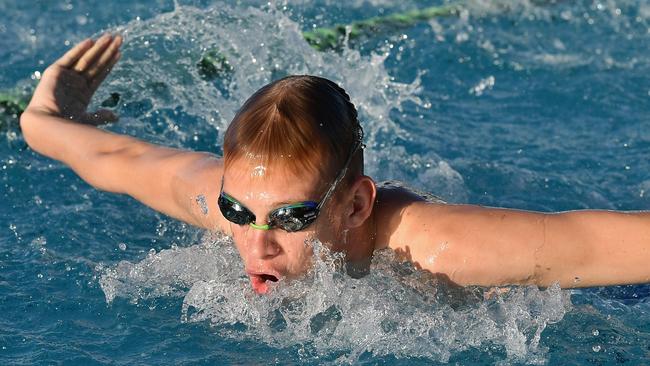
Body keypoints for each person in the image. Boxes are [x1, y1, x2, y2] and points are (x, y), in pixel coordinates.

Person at [20, 34, 650, 294]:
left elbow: (583, 245)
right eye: (238, 211)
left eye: (292, 217)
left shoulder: (432, 246)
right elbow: (111, 154)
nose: (257, 244)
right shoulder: (227, 202)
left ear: (356, 204)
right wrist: (48, 111)